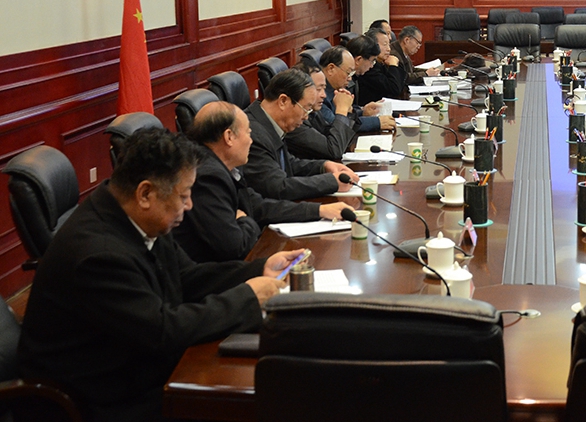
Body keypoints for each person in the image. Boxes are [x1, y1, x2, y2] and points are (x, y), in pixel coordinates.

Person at [18, 128, 305, 421]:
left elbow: (187, 276)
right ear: (146, 193)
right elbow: (162, 332)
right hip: (99, 400)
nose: (189, 205)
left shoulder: (136, 215)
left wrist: (257, 269)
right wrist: (247, 297)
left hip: (135, 369)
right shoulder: (99, 256)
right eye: (184, 195)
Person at [175, 102, 352, 262]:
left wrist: (319, 210)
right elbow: (237, 247)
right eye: (248, 133)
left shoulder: (222, 167)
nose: (251, 140)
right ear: (229, 137)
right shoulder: (208, 178)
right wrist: (246, 219)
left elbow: (258, 206)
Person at [243, 68, 358, 201]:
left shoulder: (268, 121)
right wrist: (331, 182)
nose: (306, 117)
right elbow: (278, 188)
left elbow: (288, 164)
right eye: (306, 109)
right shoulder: (252, 133)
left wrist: (323, 166)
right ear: (283, 101)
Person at [285, 60, 356, 161]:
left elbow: (336, 137)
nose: (324, 95)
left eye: (324, 88)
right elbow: (334, 151)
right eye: (318, 89)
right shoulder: (294, 121)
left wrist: (348, 111)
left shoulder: (314, 112)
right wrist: (341, 111)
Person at [320, 45, 395, 132]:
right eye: (348, 73)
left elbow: (344, 116)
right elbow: (337, 125)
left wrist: (362, 112)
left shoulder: (333, 88)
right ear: (331, 69)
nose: (350, 78)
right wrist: (376, 122)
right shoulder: (319, 95)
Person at [352, 29, 406, 104]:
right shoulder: (369, 68)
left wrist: (396, 64)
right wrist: (393, 66)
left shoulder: (381, 63)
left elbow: (403, 84)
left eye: (389, 44)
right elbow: (394, 89)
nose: (389, 49)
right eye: (384, 44)